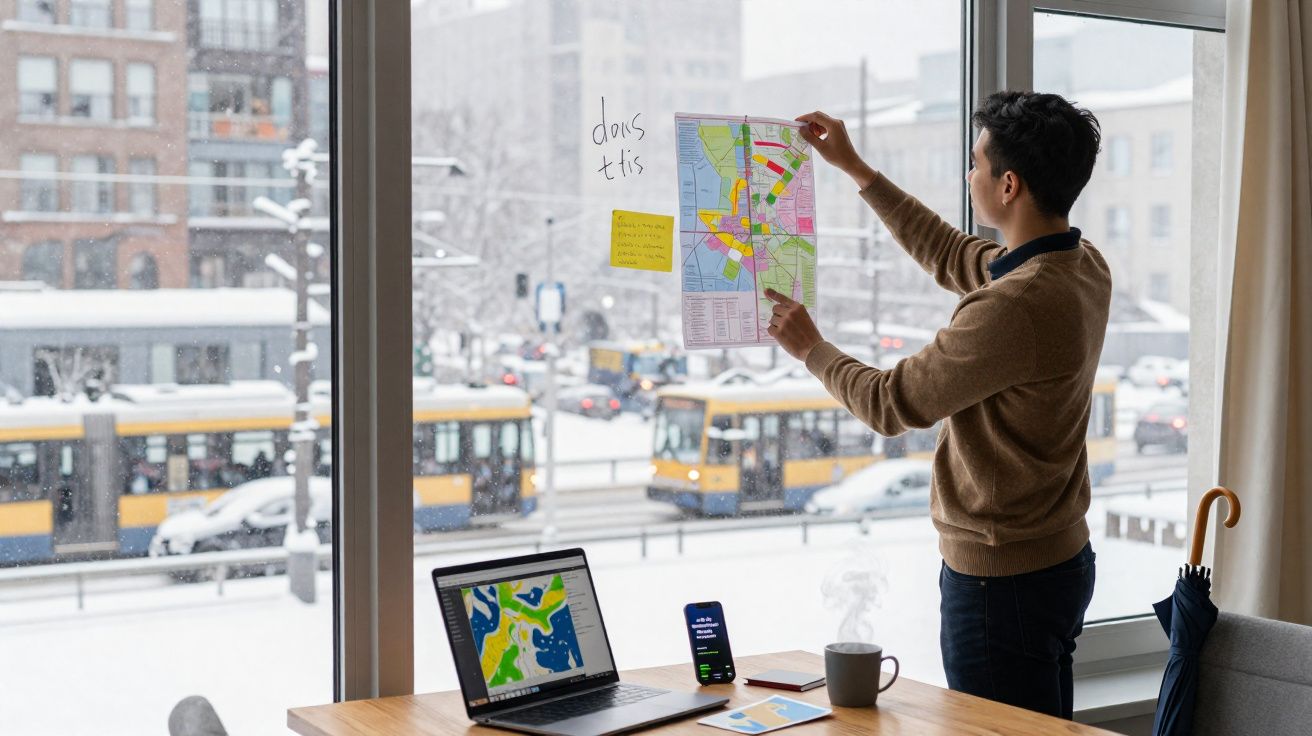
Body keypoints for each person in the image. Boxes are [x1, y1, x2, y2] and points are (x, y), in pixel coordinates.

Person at [768, 93, 1109, 720]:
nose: (968, 174)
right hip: (1056, 561)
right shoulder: (1081, 265)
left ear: (1008, 185)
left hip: (1001, 584)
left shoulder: (1015, 307)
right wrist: (858, 171)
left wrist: (811, 348)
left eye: (975, 163)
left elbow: (891, 403)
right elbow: (953, 255)